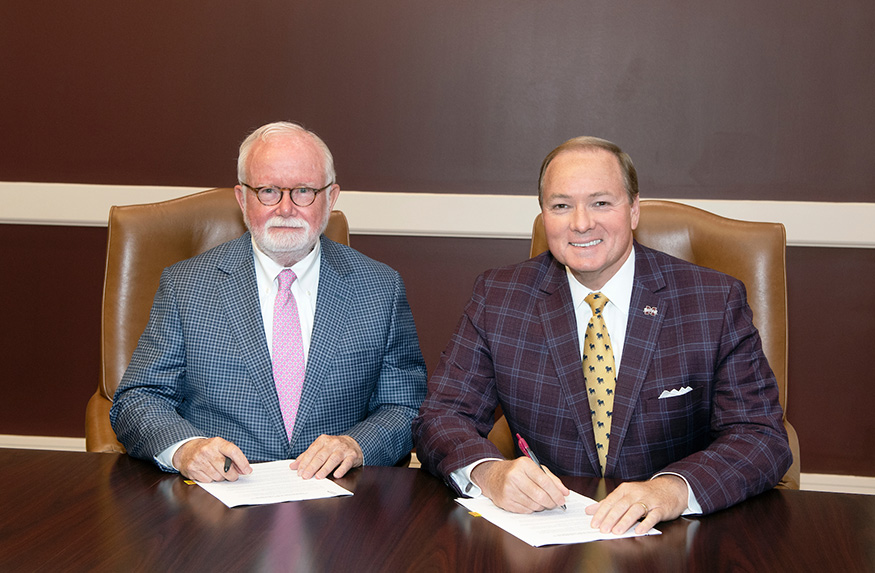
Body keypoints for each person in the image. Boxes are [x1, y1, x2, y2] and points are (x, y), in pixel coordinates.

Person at [412, 136, 792, 535]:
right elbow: (441, 415)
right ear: (544, 215)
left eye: (601, 202)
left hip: (677, 534)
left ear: (633, 210)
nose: (580, 223)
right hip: (548, 531)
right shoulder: (500, 296)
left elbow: (760, 436)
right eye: (561, 206)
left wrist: (673, 490)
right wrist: (489, 473)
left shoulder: (713, 301)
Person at [111, 121, 427, 483]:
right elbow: (138, 399)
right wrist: (186, 448)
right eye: (268, 191)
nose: (286, 208)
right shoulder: (186, 286)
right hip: (218, 503)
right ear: (242, 198)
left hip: (338, 505)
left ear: (331, 197)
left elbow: (405, 407)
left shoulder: (379, 287)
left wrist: (355, 445)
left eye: (304, 191)